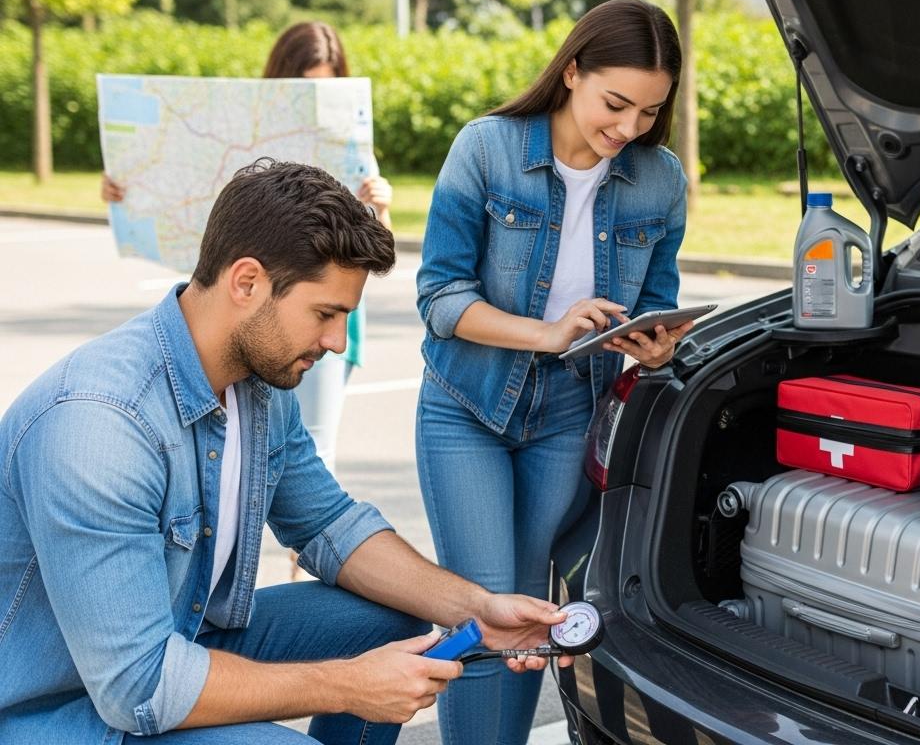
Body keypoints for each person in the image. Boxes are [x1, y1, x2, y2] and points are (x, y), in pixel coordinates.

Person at [0, 159, 571, 745]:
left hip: (175, 639)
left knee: (393, 621)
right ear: (246, 282)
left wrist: (477, 609)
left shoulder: (258, 385)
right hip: (61, 709)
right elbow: (139, 688)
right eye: (325, 314)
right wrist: (348, 685)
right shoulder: (100, 426)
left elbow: (329, 524)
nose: (336, 342)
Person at [414, 0, 690, 745]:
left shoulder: (660, 180)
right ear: (572, 72)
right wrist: (547, 332)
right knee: (483, 606)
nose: (628, 128)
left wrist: (656, 347)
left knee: (531, 609)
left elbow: (655, 305)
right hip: (467, 407)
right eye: (615, 104)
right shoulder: (487, 149)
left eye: (649, 112)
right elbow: (439, 298)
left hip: (570, 413)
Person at [102, 20, 386, 479]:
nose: (314, 99)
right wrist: (132, 188)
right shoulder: (247, 137)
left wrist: (380, 207)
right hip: (268, 306)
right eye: (304, 86)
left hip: (309, 300)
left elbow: (373, 252)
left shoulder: (354, 151)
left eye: (327, 87)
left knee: (309, 449)